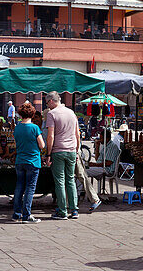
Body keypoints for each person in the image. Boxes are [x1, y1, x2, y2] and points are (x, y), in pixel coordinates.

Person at [45, 92, 81, 220]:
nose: (47, 105)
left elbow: (51, 135)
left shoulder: (52, 114)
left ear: (51, 101)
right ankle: (74, 209)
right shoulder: (71, 113)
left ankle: (62, 210)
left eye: (47, 102)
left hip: (58, 150)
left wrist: (48, 153)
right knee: (70, 180)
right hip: (71, 150)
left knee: (60, 181)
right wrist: (76, 151)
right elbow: (77, 134)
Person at [12, 103, 44, 224]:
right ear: (32, 114)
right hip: (33, 161)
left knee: (19, 187)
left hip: (20, 160)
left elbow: (16, 143)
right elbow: (42, 145)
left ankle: (16, 214)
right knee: (30, 188)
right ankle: (26, 215)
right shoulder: (35, 128)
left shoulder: (17, 127)